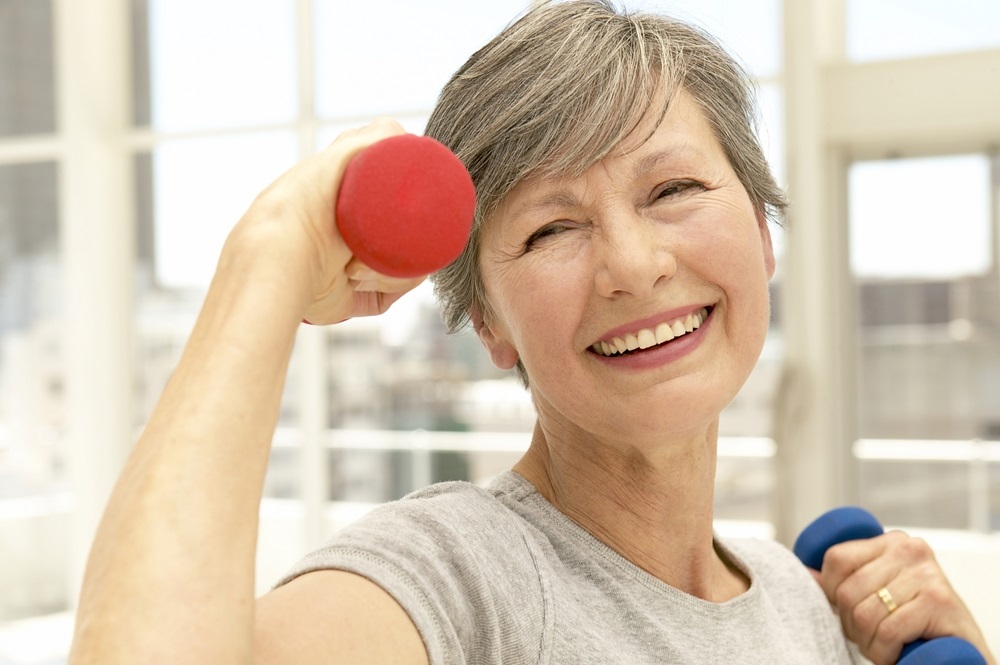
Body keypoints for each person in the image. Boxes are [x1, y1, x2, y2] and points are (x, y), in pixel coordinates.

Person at [68, 2, 995, 664]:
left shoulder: (810, 603)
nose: (632, 264)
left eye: (673, 188)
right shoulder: (459, 578)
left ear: (760, 233)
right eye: (553, 229)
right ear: (488, 321)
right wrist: (265, 258)